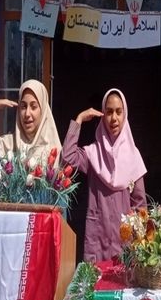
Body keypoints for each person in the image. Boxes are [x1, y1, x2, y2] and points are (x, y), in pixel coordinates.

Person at [62, 88, 147, 262]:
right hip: (97, 240)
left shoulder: (133, 157)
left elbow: (140, 207)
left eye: (118, 112)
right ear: (103, 116)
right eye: (108, 112)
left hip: (125, 243)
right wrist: (79, 120)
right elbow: (68, 157)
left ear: (125, 114)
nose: (114, 118)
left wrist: (141, 245)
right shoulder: (93, 154)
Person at [0, 79, 62, 162]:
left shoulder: (53, 151)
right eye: (23, 106)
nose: (27, 114)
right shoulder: (8, 145)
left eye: (33, 107)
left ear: (43, 111)